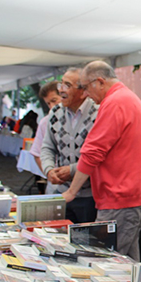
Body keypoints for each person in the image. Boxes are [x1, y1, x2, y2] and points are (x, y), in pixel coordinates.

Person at [62, 61, 141, 261]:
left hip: (119, 196)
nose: (84, 94)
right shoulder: (128, 99)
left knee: (107, 263)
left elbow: (92, 152)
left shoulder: (115, 102)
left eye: (84, 87)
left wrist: (71, 191)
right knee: (126, 261)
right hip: (128, 195)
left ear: (100, 82)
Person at [41, 68, 99, 223]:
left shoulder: (98, 113)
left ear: (83, 92)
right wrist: (49, 170)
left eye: (67, 85)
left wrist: (72, 170)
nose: (61, 90)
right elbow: (47, 146)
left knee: (87, 243)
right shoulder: (55, 113)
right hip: (60, 193)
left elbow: (99, 155)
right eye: (61, 84)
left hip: (90, 196)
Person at [30, 81, 62, 194]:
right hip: (56, 184)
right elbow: (37, 153)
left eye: (54, 100)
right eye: (48, 103)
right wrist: (49, 174)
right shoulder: (45, 122)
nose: (52, 106)